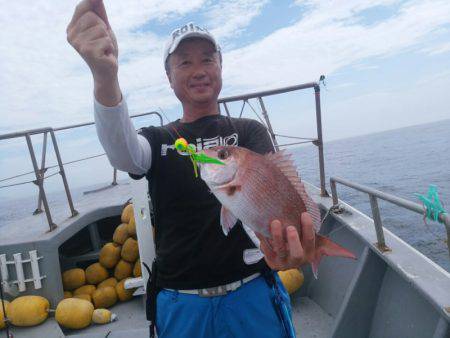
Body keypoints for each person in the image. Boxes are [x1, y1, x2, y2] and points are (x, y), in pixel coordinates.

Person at [67, 1, 316, 337]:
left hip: (253, 291)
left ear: (220, 69)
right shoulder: (156, 140)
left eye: (208, 59)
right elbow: (122, 153)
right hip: (181, 302)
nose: (199, 69)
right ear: (169, 78)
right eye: (184, 62)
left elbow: (265, 205)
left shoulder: (248, 132)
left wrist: (284, 248)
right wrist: (104, 74)